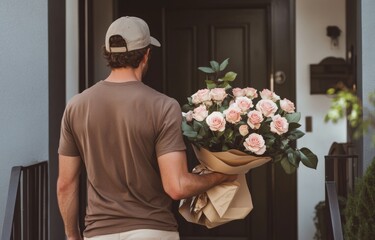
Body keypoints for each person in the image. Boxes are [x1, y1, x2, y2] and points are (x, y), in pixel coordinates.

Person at [57, 16, 237, 240]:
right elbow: (177, 186)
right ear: (146, 54)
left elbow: (65, 184)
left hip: (98, 233)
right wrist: (222, 176)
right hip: (153, 230)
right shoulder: (163, 106)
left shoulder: (76, 106)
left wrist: (72, 236)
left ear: (108, 54)